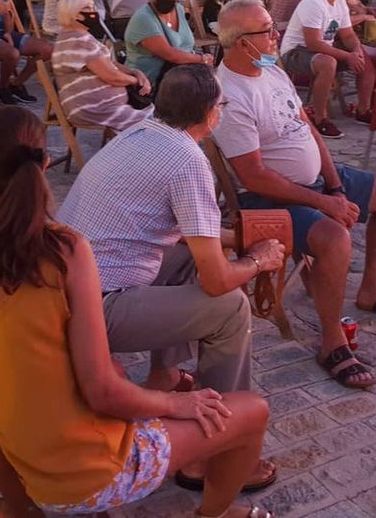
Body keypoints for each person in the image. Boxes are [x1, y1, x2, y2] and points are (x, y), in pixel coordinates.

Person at [0, 105, 274, 518]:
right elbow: (102, 391)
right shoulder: (62, 252)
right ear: (45, 163)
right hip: (80, 472)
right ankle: (213, 513)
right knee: (251, 412)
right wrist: (175, 404)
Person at [55, 66, 281, 493]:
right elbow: (216, 281)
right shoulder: (188, 160)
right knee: (230, 307)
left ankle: (164, 375)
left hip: (67, 291)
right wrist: (258, 261)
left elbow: (188, 236)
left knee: (180, 260)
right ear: (212, 114)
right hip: (95, 310)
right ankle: (214, 449)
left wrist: (246, 238)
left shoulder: (139, 133)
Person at [213, 0, 376, 387]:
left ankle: (372, 288)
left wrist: (335, 185)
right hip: (268, 198)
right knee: (334, 237)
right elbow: (253, 176)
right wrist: (325, 202)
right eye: (267, 31)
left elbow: (305, 126)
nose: (276, 36)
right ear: (242, 43)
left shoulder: (269, 68)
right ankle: (331, 341)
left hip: (316, 182)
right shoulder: (229, 94)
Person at [277, 0, 376, 139]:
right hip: (295, 52)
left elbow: (347, 35)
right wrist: (347, 56)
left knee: (364, 55)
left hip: (323, 49)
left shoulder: (339, 3)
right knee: (328, 63)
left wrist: (355, 51)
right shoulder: (314, 3)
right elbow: (313, 43)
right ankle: (320, 118)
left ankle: (363, 110)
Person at [52, 0, 153, 131]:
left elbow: (108, 63)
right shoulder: (76, 41)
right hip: (95, 109)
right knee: (156, 126)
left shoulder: (81, 36)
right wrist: (136, 81)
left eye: (93, 6)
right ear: (74, 13)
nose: (94, 11)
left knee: (160, 119)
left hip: (106, 107)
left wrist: (135, 72)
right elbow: (112, 77)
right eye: (88, 8)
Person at [124, 0, 210, 89]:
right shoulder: (143, 18)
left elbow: (187, 44)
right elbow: (170, 55)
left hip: (182, 74)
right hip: (150, 83)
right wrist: (202, 59)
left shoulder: (178, 9)